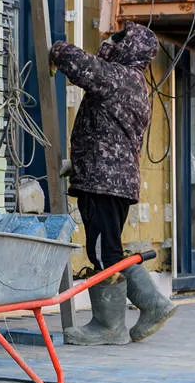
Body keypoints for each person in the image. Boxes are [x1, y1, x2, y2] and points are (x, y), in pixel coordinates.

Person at [49, 25, 176, 345]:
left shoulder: (120, 78)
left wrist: (56, 49)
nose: (107, 42)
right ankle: (152, 304)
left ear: (128, 48)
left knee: (103, 252)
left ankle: (111, 326)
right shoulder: (132, 81)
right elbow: (106, 134)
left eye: (116, 40)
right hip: (108, 180)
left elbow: (80, 65)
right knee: (109, 248)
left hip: (105, 183)